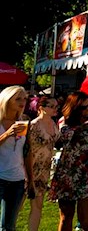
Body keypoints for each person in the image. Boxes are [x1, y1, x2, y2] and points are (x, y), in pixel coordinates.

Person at [48, 92, 88, 231]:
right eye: (83, 108)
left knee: (85, 220)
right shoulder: (65, 122)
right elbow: (65, 137)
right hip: (68, 173)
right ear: (74, 108)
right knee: (66, 217)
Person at [26, 96, 60, 231]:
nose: (55, 109)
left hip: (44, 169)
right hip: (30, 168)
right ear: (41, 108)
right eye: (51, 106)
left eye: (56, 106)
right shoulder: (34, 125)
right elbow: (27, 150)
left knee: (38, 206)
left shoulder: (53, 123)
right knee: (18, 205)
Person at [0, 86, 29, 231]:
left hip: (17, 179)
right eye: (18, 98)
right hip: (0, 176)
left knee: (9, 226)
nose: (22, 102)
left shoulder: (22, 121)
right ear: (7, 100)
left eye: (24, 98)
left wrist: (28, 176)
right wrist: (6, 134)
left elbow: (25, 152)